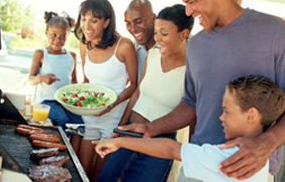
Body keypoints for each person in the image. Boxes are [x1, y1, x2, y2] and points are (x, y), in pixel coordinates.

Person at [118, 0, 285, 181]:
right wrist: (151, 128)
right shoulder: (196, 45)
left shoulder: (275, 32)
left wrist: (266, 143)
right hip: (198, 161)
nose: (188, 11)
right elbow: (191, 103)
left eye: (192, 1)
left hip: (251, 167)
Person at [94, 75, 285, 182]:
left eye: (226, 111)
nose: (220, 117)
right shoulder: (260, 159)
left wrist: (118, 141)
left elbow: (170, 149)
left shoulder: (227, 157)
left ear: (251, 115)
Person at [97, 4, 194, 182]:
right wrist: (119, 128)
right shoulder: (153, 54)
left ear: (183, 34)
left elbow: (191, 112)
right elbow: (137, 93)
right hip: (130, 133)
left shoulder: (193, 70)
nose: (157, 38)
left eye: (164, 34)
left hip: (159, 144)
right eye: (156, 32)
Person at [72, 0, 137, 181]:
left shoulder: (124, 45)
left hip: (113, 118)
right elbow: (86, 80)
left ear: (107, 22)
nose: (87, 26)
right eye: (84, 19)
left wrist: (112, 104)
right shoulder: (84, 44)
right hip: (90, 116)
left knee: (99, 177)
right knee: (81, 172)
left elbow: (134, 85)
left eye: (94, 20)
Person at [28, 11, 83, 129]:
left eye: (63, 36)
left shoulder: (71, 56)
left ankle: (73, 147)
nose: (58, 40)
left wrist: (76, 91)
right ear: (46, 33)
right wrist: (42, 78)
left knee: (79, 122)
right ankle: (60, 146)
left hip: (66, 102)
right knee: (62, 119)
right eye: (54, 34)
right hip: (47, 102)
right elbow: (30, 80)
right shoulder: (41, 53)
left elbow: (74, 80)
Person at [124, 0, 156, 82]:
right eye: (128, 23)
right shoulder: (133, 47)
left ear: (153, 19)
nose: (133, 29)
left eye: (138, 22)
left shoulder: (168, 45)